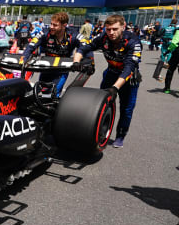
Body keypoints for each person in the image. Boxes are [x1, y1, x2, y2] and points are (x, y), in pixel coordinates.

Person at [74, 14, 142, 149]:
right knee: (101, 104)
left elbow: (129, 67)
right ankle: (98, 129)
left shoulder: (134, 42)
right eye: (108, 29)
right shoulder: (103, 37)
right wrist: (76, 61)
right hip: (111, 73)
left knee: (127, 109)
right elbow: (85, 46)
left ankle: (120, 135)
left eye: (115, 29)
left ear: (123, 27)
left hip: (128, 78)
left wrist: (115, 88)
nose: (111, 32)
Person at [23, 12, 84, 96]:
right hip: (46, 68)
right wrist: (24, 58)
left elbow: (86, 45)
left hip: (61, 70)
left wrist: (79, 60)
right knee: (41, 92)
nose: (51, 27)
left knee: (53, 94)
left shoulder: (73, 34)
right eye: (51, 24)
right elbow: (31, 45)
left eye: (55, 25)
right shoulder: (45, 32)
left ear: (64, 25)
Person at [162, 25, 179, 94]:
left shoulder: (178, 31)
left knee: (171, 69)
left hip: (177, 52)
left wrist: (167, 51)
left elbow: (174, 43)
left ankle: (167, 88)